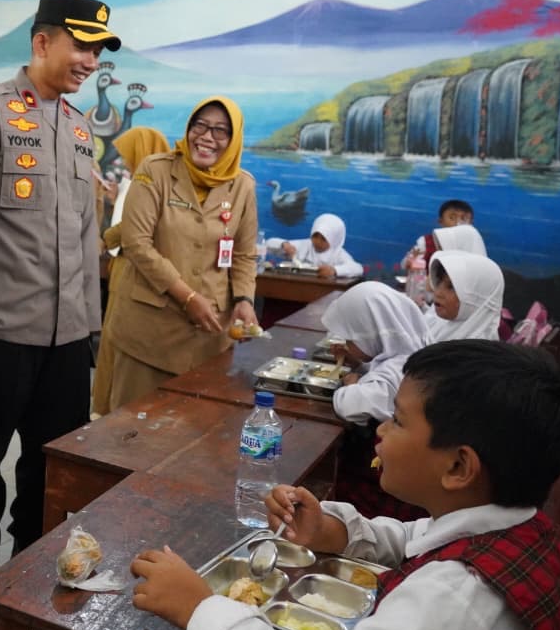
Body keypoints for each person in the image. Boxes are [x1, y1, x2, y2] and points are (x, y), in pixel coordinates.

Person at [130, 340, 560, 630]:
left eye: (397, 420)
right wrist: (333, 531)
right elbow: (416, 537)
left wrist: (200, 610)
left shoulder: (457, 598)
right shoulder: (514, 524)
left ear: (458, 467)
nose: (381, 430)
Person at [0, 0, 116, 630]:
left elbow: (87, 234)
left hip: (66, 340)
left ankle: (28, 564)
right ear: (42, 42)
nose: (90, 61)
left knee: (50, 466)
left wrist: (90, 328)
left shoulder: (80, 128)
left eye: (98, 51)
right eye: (81, 46)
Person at [104, 97, 260, 411]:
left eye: (220, 130)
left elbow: (244, 253)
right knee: (131, 428)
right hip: (148, 334)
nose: (207, 137)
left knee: (194, 430)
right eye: (200, 126)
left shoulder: (243, 186)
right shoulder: (155, 170)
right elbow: (136, 242)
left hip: (209, 338)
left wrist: (244, 300)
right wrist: (187, 297)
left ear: (234, 139)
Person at [322, 281, 431, 519]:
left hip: (382, 482)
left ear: (373, 333)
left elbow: (350, 405)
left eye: (351, 338)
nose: (347, 344)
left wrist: (352, 385)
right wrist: (359, 364)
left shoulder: (399, 369)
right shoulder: (406, 353)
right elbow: (379, 378)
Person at [91, 126, 172, 416]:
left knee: (118, 340)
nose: (124, 161)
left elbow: (133, 226)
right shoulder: (144, 182)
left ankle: (107, 408)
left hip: (131, 271)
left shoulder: (151, 184)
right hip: (122, 267)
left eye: (128, 154)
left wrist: (105, 239)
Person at [427, 251, 504, 342]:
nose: (438, 293)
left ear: (476, 298)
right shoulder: (439, 326)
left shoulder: (476, 347)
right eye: (439, 282)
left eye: (451, 287)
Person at [267, 212, 364, 279]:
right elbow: (268, 244)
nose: (317, 241)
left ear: (333, 240)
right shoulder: (304, 245)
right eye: (315, 236)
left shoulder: (338, 253)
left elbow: (358, 269)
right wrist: (284, 244)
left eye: (323, 239)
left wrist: (334, 270)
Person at [403, 198, 474, 269]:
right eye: (452, 218)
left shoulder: (473, 243)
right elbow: (404, 265)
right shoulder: (425, 242)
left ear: (471, 223)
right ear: (440, 221)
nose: (457, 222)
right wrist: (411, 260)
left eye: (463, 219)